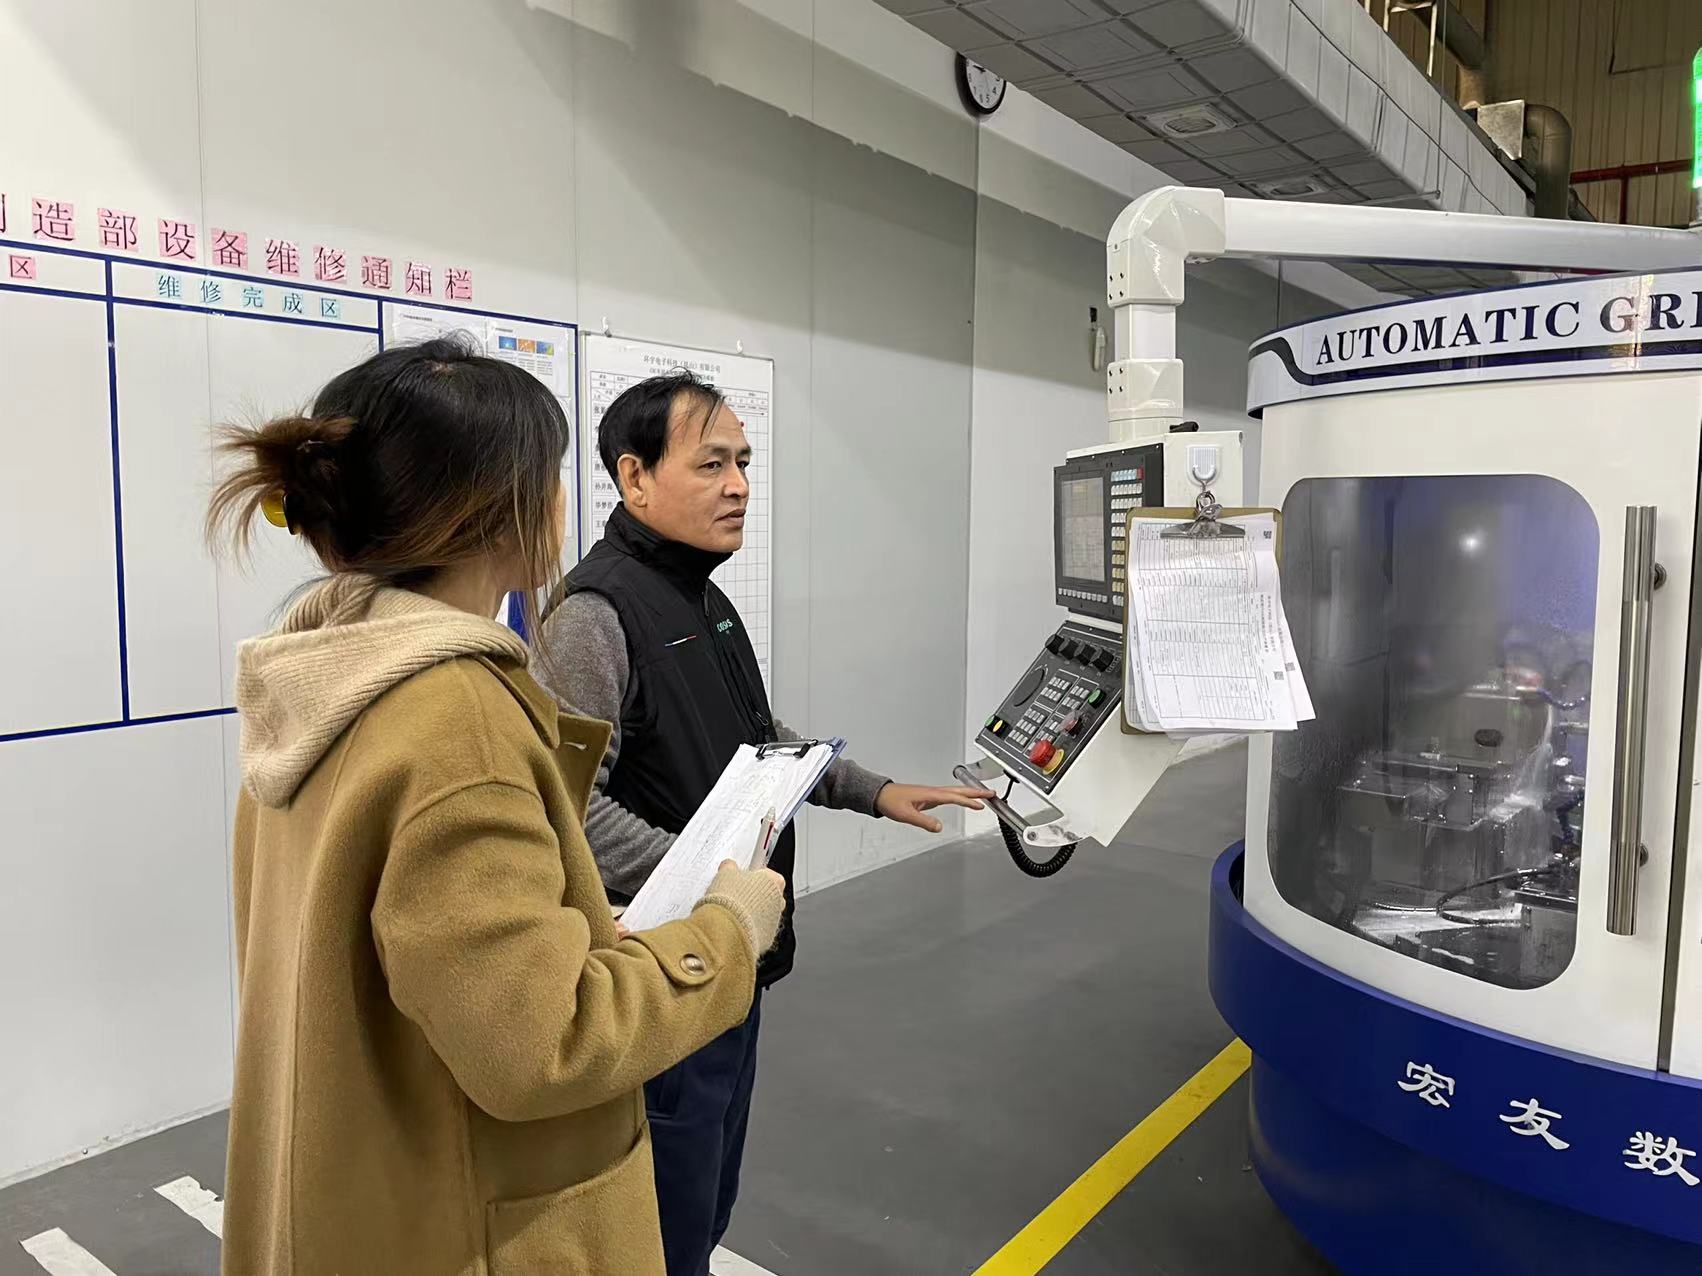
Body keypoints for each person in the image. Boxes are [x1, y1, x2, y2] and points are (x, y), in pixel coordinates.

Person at [209, 339, 787, 1276]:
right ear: (503, 504)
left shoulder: (316, 682)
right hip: (470, 1227)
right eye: (550, 473)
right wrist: (727, 928)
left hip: (363, 1195)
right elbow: (545, 1043)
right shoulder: (457, 718)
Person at [537, 370, 993, 1275]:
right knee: (662, 1223)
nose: (740, 485)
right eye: (712, 464)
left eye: (743, 462)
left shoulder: (702, 597)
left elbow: (758, 739)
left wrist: (869, 790)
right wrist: (716, 886)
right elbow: (568, 812)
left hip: (730, 955)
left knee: (707, 1200)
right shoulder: (593, 618)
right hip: (660, 975)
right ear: (634, 477)